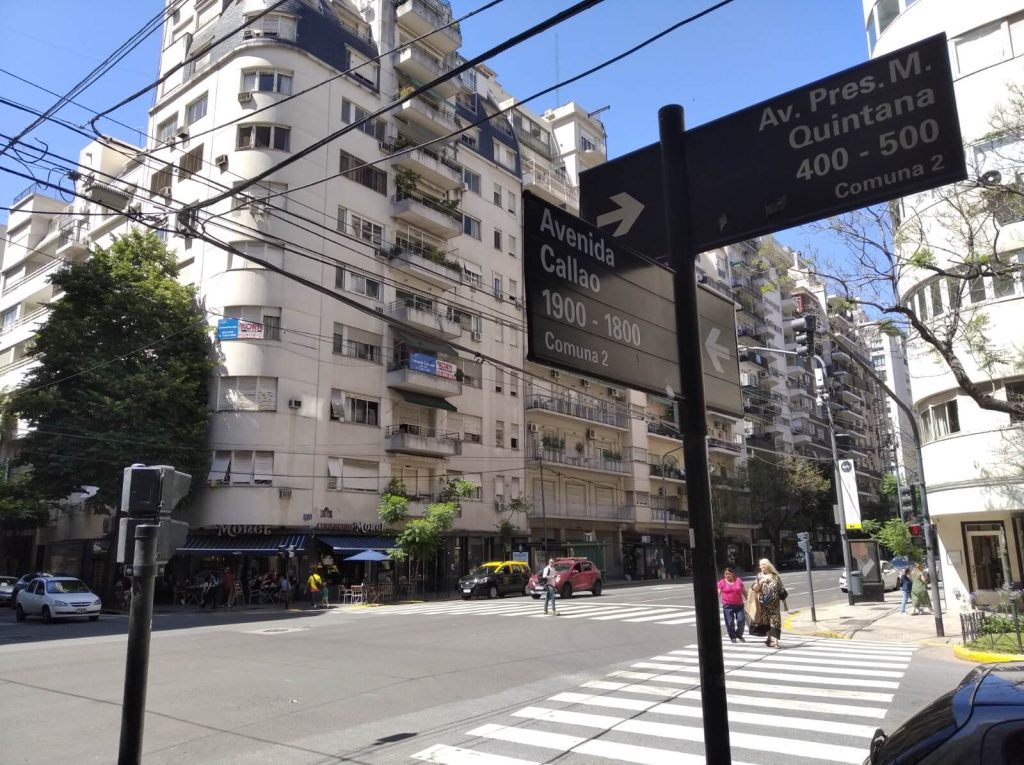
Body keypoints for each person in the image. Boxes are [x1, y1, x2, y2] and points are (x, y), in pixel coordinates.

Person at [751, 558, 787, 648]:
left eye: (763, 564)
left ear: (768, 565)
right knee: (766, 621)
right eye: (760, 565)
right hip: (763, 603)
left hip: (775, 604)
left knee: (776, 622)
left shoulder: (775, 576)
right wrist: (761, 582)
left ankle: (776, 642)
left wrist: (785, 604)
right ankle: (769, 638)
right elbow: (754, 588)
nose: (761, 566)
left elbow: (781, 590)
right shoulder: (759, 576)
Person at [717, 566, 747, 643]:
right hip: (728, 605)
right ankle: (732, 636)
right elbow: (719, 592)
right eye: (726, 574)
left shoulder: (738, 580)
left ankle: (739, 634)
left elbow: (744, 591)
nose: (727, 575)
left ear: (733, 574)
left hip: (739, 605)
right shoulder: (722, 582)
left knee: (741, 621)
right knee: (730, 622)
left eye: (729, 574)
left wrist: (748, 600)